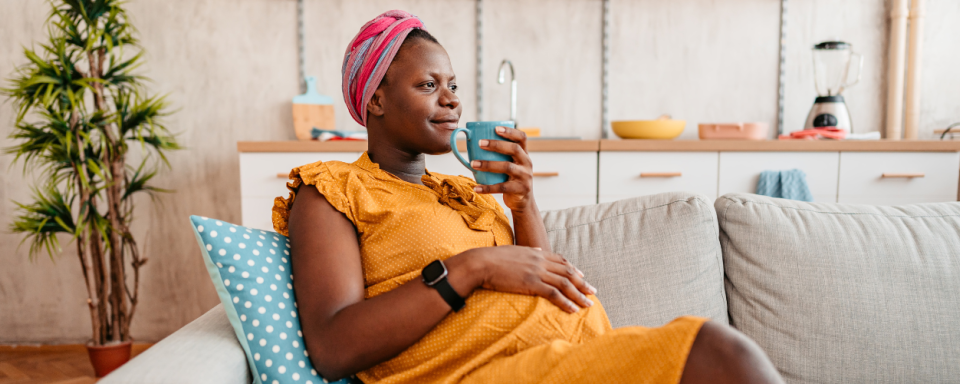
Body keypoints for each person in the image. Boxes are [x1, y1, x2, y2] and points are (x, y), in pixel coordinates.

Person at [272, 10, 784, 384]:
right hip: (474, 373)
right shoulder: (334, 189)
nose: (451, 100)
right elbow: (334, 346)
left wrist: (523, 204)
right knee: (719, 352)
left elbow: (543, 279)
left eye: (454, 85)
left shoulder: (463, 192)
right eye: (428, 85)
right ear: (376, 100)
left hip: (561, 358)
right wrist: (473, 267)